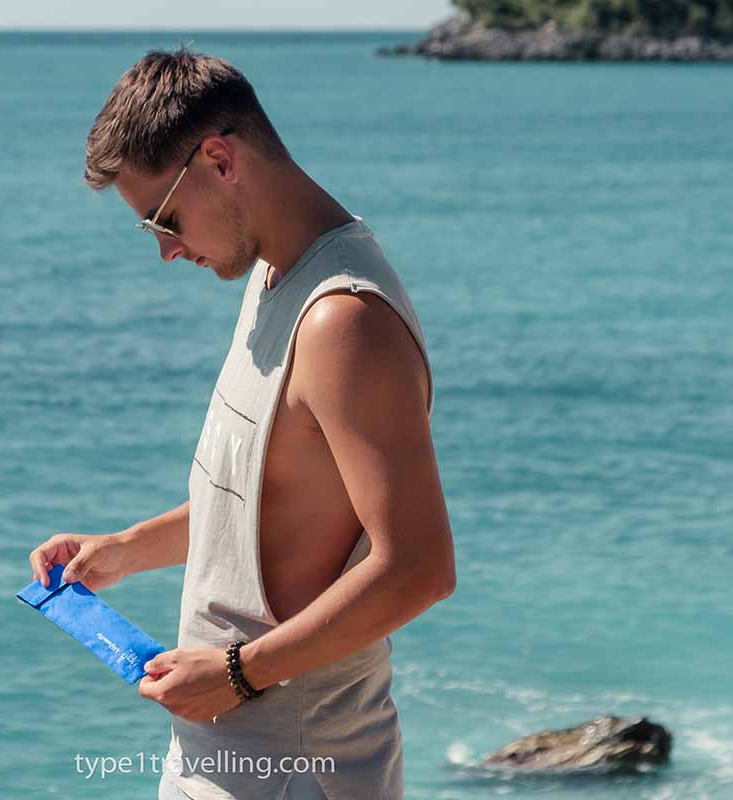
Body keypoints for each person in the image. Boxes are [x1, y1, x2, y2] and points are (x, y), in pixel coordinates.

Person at [28, 46, 456, 799]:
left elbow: (420, 567)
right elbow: (272, 502)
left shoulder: (343, 321)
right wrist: (125, 550)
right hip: (226, 758)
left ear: (220, 161)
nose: (165, 248)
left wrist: (234, 673)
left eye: (163, 218)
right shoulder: (271, 276)